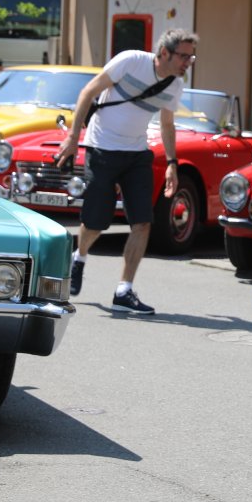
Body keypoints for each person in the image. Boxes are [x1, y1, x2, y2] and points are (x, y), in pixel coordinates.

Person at [54, 29, 196, 315]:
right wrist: (72, 137)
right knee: (96, 222)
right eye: (183, 56)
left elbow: (167, 124)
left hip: (137, 153)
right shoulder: (131, 61)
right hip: (102, 148)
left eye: (191, 58)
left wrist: (172, 163)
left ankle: (124, 290)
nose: (188, 63)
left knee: (143, 222)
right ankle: (80, 257)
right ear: (164, 53)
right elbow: (88, 91)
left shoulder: (174, 84)